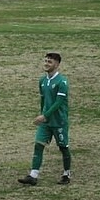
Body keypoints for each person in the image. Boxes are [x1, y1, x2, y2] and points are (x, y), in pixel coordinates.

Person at [18, 53, 72, 186]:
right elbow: (43, 100)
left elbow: (58, 102)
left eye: (50, 62)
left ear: (57, 64)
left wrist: (44, 115)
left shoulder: (62, 82)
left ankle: (66, 174)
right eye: (46, 61)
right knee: (38, 145)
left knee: (63, 147)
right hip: (46, 122)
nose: (47, 63)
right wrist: (43, 115)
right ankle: (33, 175)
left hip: (59, 121)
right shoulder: (42, 81)